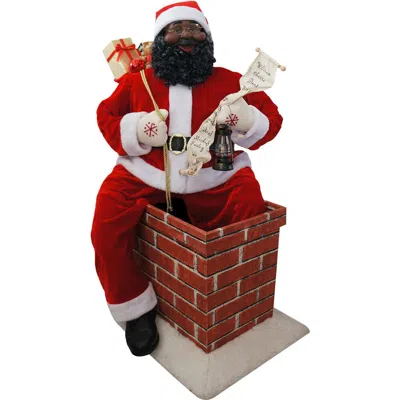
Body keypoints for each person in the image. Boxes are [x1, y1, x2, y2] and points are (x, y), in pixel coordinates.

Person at [92, 0, 283, 357]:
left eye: (194, 29)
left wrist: (246, 119)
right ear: (160, 39)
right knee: (106, 218)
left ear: (207, 37)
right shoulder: (138, 81)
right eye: (176, 29)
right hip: (147, 172)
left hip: (214, 174)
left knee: (250, 204)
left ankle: (234, 294)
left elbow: (271, 121)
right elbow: (106, 115)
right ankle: (135, 306)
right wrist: (137, 130)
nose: (186, 36)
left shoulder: (231, 81)